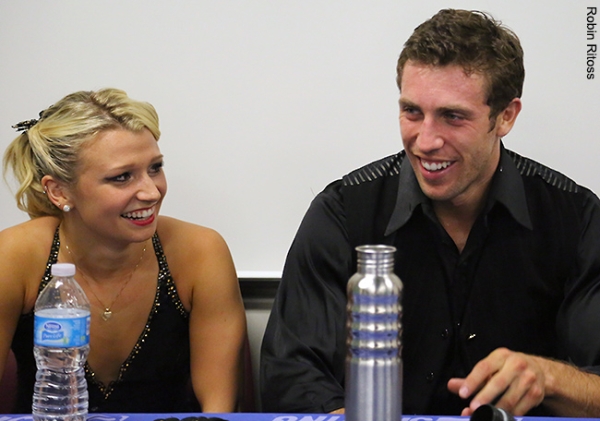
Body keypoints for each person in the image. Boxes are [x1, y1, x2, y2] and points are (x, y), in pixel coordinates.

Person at [260, 8, 600, 417]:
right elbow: (290, 372)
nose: (425, 140)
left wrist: (550, 378)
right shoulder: (342, 213)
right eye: (412, 112)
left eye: (452, 116)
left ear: (506, 116)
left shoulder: (576, 218)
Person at [0, 88, 248, 413]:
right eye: (122, 177)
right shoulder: (15, 255)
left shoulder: (200, 252)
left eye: (155, 168)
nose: (151, 191)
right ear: (58, 191)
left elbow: (219, 409)